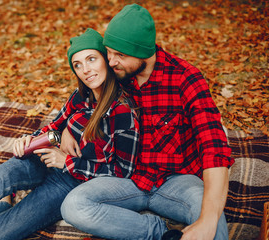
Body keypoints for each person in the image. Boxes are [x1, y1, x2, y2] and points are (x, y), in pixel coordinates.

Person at [0, 28, 140, 240]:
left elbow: (123, 171)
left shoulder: (122, 110)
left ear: (106, 60)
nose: (85, 70)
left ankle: (5, 198)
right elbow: (53, 127)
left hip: (71, 181)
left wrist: (67, 162)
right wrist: (32, 139)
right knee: (0, 176)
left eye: (91, 59)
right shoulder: (81, 96)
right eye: (78, 65)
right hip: (45, 157)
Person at [60, 4, 235, 240]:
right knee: (74, 205)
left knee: (211, 218)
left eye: (120, 55)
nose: (111, 62)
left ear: (143, 52)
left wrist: (207, 219)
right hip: (127, 179)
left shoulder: (186, 79)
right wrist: (68, 128)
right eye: (109, 52)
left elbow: (214, 149)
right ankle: (158, 233)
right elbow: (83, 99)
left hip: (177, 182)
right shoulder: (117, 73)